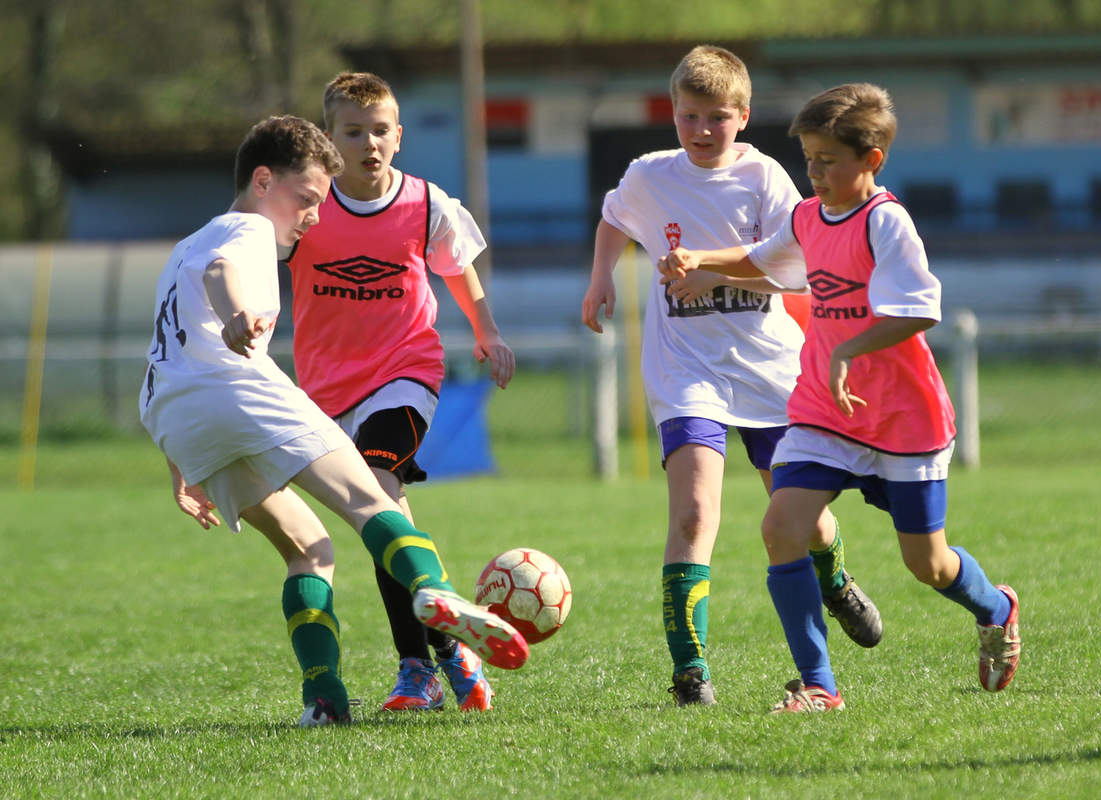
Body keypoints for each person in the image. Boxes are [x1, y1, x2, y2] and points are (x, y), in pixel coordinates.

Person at [138, 115, 528, 728]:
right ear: (263, 180)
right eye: (308, 200)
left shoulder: (184, 245)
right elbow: (224, 275)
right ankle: (436, 596)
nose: (314, 217)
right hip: (237, 388)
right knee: (373, 502)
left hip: (175, 415)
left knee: (309, 551)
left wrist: (180, 463)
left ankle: (323, 699)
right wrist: (238, 313)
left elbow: (170, 355)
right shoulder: (245, 230)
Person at [659, 82, 1021, 712]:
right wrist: (704, 262)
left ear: (871, 160)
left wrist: (851, 349)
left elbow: (919, 310)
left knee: (927, 564)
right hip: (825, 407)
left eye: (828, 160)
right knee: (781, 528)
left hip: (900, 415)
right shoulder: (807, 216)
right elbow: (763, 259)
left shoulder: (886, 222)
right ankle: (819, 685)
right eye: (809, 159)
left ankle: (996, 607)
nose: (815, 172)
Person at [580, 46, 881, 708]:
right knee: (693, 511)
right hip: (685, 368)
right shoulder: (649, 175)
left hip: (769, 368)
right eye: (690, 116)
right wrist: (602, 275)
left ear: (742, 117)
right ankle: (691, 672)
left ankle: (833, 577)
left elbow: (794, 266)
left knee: (803, 521)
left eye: (717, 117)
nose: (702, 130)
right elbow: (613, 216)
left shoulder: (767, 178)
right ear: (673, 113)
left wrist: (712, 273)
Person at [282, 71, 515, 713]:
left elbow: (458, 268)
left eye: (380, 130)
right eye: (353, 132)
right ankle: (446, 650)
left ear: (399, 135)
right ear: (329, 139)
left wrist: (487, 331)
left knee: (380, 487)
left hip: (404, 371)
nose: (369, 143)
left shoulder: (426, 204)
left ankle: (415, 669)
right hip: (326, 390)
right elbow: (247, 261)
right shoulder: (304, 208)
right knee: (384, 520)